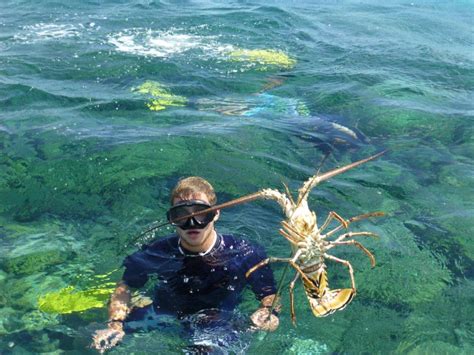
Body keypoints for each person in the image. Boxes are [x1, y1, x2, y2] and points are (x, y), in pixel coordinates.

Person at [92, 176, 280, 353]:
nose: (192, 223)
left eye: (201, 214)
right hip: (163, 312)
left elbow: (269, 296)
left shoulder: (245, 253)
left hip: (216, 321)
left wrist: (267, 313)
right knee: (96, 342)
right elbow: (126, 286)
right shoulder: (158, 251)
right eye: (182, 215)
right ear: (172, 218)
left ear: (215, 214)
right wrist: (115, 324)